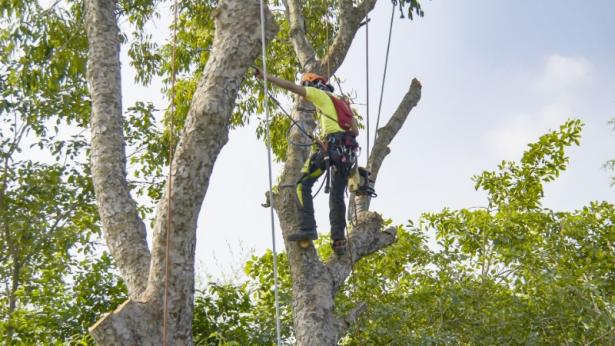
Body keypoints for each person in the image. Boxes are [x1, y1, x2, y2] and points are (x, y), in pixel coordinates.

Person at [254, 69, 359, 256]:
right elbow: (355, 132)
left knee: (303, 184)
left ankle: (307, 228)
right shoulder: (342, 104)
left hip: (333, 150)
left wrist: (265, 76)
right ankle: (339, 239)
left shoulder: (320, 95)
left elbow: (291, 87)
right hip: (346, 156)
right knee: (336, 196)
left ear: (313, 85)